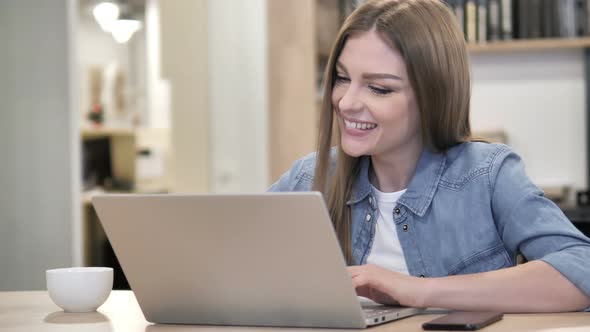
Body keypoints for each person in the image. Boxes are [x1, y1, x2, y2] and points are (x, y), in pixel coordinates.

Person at [268, 0, 590, 312]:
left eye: (379, 88)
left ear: (432, 96)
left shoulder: (488, 175)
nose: (346, 102)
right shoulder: (311, 176)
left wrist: (419, 290)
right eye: (342, 78)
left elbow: (581, 268)